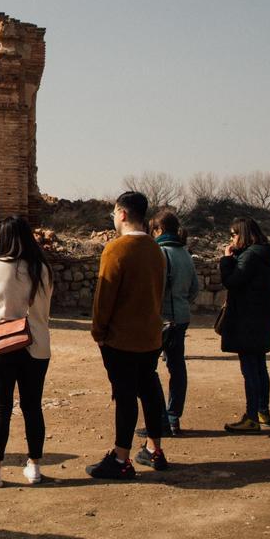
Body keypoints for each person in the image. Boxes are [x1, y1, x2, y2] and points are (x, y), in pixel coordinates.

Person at [85, 191, 168, 479]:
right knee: (149, 389)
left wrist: (99, 332)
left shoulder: (117, 250)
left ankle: (121, 458)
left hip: (122, 338)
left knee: (125, 396)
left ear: (121, 214)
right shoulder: (157, 250)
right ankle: (154, 448)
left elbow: (104, 297)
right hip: (151, 336)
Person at [0, 216, 53, 488]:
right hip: (37, 344)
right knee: (33, 407)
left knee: (1, 409)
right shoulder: (43, 268)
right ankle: (35, 467)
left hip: (3, 345)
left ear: (1, 238)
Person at [219, 217, 270, 433]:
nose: (231, 238)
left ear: (242, 234)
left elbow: (233, 281)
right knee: (260, 366)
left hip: (246, 320)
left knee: (250, 369)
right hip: (259, 319)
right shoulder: (263, 254)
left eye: (234, 234)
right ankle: (263, 410)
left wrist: (227, 260)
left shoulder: (250, 256)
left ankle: (251, 416)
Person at [150, 210, 198, 437]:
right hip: (181, 317)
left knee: (147, 371)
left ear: (158, 230)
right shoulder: (185, 253)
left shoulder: (159, 252)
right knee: (177, 368)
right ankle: (173, 417)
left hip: (162, 320)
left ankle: (159, 420)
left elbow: (155, 289)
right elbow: (194, 290)